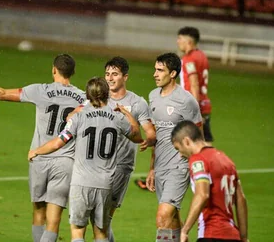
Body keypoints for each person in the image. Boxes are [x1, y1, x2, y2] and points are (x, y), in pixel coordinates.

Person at [0, 54, 86, 242]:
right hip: (65, 161)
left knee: (38, 213)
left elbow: (1, 94)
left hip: (39, 158)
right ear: (73, 72)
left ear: (54, 70)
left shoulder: (40, 90)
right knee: (54, 218)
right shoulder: (83, 97)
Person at [28, 77, 143, 242]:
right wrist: (127, 113)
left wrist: (37, 151)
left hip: (81, 183)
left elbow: (58, 142)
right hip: (105, 183)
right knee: (101, 233)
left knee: (77, 231)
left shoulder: (79, 117)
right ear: (107, 95)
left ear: (88, 96)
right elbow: (137, 137)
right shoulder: (117, 119)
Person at [146, 53, 202, 242]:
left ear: (173, 74)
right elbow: (157, 136)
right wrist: (152, 168)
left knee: (162, 216)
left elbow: (198, 133)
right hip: (161, 165)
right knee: (172, 217)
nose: (155, 74)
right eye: (155, 69)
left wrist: (194, 164)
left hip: (179, 166)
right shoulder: (153, 96)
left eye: (160, 70)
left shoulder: (186, 101)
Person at [104, 57, 156, 241]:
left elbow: (150, 131)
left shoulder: (137, 103)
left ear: (125, 77)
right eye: (107, 74)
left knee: (103, 219)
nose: (110, 78)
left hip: (120, 165)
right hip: (96, 164)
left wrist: (149, 139)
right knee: (97, 218)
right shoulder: (99, 98)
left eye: (115, 74)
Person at [171, 120, 249, 242]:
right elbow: (240, 199)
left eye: (178, 148)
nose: (180, 155)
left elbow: (202, 194)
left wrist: (185, 230)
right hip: (233, 236)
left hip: (211, 233)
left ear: (186, 141)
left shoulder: (198, 160)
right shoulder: (226, 160)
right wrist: (244, 237)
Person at [177, 27, 214, 143]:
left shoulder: (189, 59)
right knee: (204, 140)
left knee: (185, 141)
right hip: (205, 102)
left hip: (192, 104)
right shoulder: (202, 56)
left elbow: (194, 84)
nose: (177, 41)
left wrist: (195, 108)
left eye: (180, 38)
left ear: (189, 41)